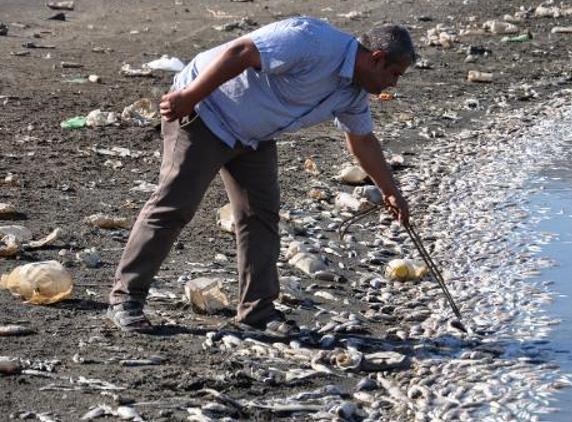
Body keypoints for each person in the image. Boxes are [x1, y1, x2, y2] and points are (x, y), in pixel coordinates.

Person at [107, 16, 415, 333]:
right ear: (376, 59)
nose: (394, 83)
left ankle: (258, 311)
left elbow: (362, 141)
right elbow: (242, 52)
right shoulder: (312, 41)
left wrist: (391, 191)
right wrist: (191, 96)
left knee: (260, 216)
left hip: (253, 138)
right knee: (175, 204)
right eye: (394, 74)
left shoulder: (353, 94)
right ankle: (126, 298)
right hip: (205, 112)